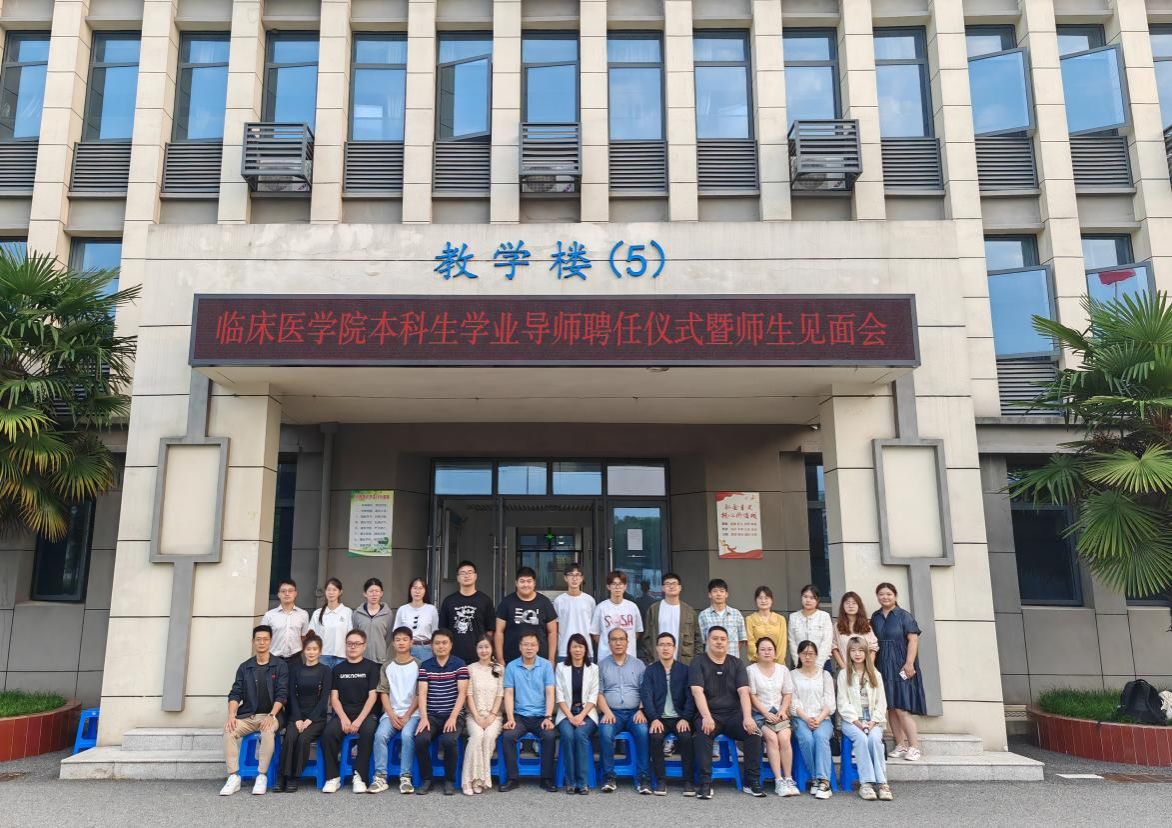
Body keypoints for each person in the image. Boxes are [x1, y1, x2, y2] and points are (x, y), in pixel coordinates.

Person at [688, 626, 765, 800]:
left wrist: (747, 717)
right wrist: (706, 716)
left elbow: (744, 692)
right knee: (702, 733)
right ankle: (705, 783)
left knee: (754, 732)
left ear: (728, 642)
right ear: (707, 641)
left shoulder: (736, 663)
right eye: (715, 638)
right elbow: (697, 692)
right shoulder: (698, 662)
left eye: (723, 639)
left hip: (733, 715)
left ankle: (751, 781)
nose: (719, 642)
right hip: (709, 714)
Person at [220, 625, 288, 796]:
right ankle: (234, 776)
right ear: (253, 642)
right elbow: (235, 693)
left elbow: (282, 694)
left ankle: (261, 775)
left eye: (265, 639)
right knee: (229, 730)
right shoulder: (245, 667)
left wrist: (271, 715)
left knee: (267, 729)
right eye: (258, 639)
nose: (262, 642)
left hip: (272, 715)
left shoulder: (280, 665)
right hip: (248, 716)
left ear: (270, 642)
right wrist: (231, 715)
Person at [320, 629, 380, 793]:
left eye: (357, 644)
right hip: (344, 713)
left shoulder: (371, 667)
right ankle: (333, 777)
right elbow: (334, 698)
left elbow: (372, 697)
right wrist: (344, 719)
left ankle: (359, 777)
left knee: (367, 733)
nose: (353, 647)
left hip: (365, 714)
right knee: (328, 734)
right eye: (349, 644)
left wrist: (359, 721)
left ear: (364, 646)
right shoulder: (338, 669)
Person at [872, 582, 926, 762]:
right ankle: (900, 744)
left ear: (895, 595)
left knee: (902, 707)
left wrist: (909, 663)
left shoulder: (904, 616)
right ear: (877, 596)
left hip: (901, 666)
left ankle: (914, 747)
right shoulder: (875, 617)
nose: (885, 597)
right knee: (891, 708)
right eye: (881, 594)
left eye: (888, 594)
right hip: (882, 666)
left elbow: (913, 640)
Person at [413, 628, 469, 795]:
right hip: (432, 715)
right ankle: (427, 779)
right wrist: (424, 718)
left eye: (444, 643)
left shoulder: (459, 664)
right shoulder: (426, 666)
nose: (441, 646)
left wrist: (453, 717)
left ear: (451, 645)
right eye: (437, 643)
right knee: (421, 739)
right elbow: (422, 693)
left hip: (454, 715)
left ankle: (449, 780)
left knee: (449, 740)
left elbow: (462, 694)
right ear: (432, 645)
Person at [501, 630, 558, 792]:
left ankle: (546, 778)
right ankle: (513, 778)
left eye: (533, 645)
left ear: (538, 647)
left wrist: (548, 717)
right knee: (508, 736)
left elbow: (550, 692)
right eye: (525, 644)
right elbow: (509, 693)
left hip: (541, 716)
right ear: (520, 647)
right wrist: (510, 718)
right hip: (520, 716)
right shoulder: (512, 666)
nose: (529, 648)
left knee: (549, 736)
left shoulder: (546, 666)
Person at [837, 636, 893, 801]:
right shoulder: (843, 674)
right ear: (848, 653)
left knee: (874, 739)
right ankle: (866, 784)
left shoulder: (875, 674)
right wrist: (858, 722)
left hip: (873, 719)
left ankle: (882, 783)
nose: (857, 654)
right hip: (852, 720)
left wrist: (873, 722)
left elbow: (881, 703)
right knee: (861, 739)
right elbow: (842, 703)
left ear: (866, 653)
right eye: (853, 651)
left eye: (861, 650)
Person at [640, 632, 695, 796]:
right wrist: (654, 718)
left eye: (669, 645)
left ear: (674, 648)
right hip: (659, 718)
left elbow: (691, 697)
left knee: (686, 738)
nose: (665, 648)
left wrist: (685, 718)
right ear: (657, 648)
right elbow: (646, 696)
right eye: (662, 645)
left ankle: (688, 781)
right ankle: (661, 780)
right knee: (655, 738)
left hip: (680, 718)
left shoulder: (685, 670)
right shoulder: (651, 670)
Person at [596, 627, 650, 794]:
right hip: (612, 712)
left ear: (628, 642)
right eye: (614, 639)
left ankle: (643, 778)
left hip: (635, 712)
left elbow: (645, 691)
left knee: (643, 732)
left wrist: (641, 710)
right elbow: (598, 692)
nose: (618, 643)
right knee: (605, 733)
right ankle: (609, 777)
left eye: (621, 639)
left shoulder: (639, 664)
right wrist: (607, 712)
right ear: (609, 643)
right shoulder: (601, 665)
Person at [275, 631, 330, 793]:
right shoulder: (296, 670)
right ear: (303, 651)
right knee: (290, 737)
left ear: (320, 651)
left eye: (315, 649)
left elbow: (324, 699)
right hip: (297, 716)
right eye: (308, 649)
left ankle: (294, 776)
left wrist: (309, 720)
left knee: (303, 739)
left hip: (316, 718)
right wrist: (298, 718)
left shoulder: (325, 670)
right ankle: (282, 776)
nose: (311, 652)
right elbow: (292, 695)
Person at [368, 627, 421, 795]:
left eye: (405, 639)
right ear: (393, 643)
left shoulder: (418, 665)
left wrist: (407, 715)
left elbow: (420, 694)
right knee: (380, 736)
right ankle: (380, 777)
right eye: (398, 640)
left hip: (413, 714)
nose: (401, 643)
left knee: (407, 735)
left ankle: (405, 777)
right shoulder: (387, 666)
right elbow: (383, 692)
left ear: (411, 642)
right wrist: (391, 714)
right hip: (391, 713)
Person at [746, 637, 798, 797]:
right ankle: (778, 780)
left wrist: (782, 710)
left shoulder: (783, 670)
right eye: (762, 649)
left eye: (770, 649)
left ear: (775, 653)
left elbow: (787, 693)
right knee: (772, 738)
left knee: (784, 738)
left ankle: (788, 778)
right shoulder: (751, 670)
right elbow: (752, 695)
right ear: (757, 652)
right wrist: (765, 712)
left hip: (780, 714)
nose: (766, 652)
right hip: (760, 714)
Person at [790, 639, 835, 800]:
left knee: (821, 737)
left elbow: (830, 702)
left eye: (811, 654)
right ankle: (817, 778)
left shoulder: (824, 675)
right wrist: (807, 718)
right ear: (799, 655)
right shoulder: (792, 675)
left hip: (823, 718)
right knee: (807, 739)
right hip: (801, 718)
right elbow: (793, 702)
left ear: (816, 655)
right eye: (804, 653)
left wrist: (819, 718)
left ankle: (824, 782)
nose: (807, 657)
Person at [555, 632, 599, 794]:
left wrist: (580, 716)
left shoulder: (593, 668)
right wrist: (571, 717)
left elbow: (593, 696)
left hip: (587, 713)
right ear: (569, 649)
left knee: (580, 735)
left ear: (586, 649)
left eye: (581, 646)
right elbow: (559, 696)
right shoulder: (561, 667)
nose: (578, 650)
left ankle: (583, 782)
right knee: (568, 735)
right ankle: (571, 782)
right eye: (574, 647)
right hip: (566, 713)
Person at [462, 635, 504, 795]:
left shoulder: (499, 669)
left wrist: (492, 715)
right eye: (480, 647)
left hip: (494, 716)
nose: (484, 650)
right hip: (474, 715)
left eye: (487, 647)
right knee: (477, 736)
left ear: (492, 648)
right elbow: (469, 694)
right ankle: (467, 780)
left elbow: (500, 694)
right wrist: (477, 717)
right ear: (476, 649)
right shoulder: (470, 669)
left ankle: (479, 780)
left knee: (489, 737)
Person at [495, 566, 558, 664]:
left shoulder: (544, 603)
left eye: (529, 581)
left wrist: (551, 659)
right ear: (516, 583)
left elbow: (552, 632)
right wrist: (500, 659)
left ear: (534, 583)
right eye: (522, 581)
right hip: (512, 661)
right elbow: (499, 632)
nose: (525, 585)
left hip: (540, 661)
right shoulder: (506, 603)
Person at [439, 560, 496, 664]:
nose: (467, 576)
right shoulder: (449, 601)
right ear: (457, 577)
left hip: (479, 656)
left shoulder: (485, 600)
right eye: (463, 573)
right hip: (453, 656)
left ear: (475, 576)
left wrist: (485, 651)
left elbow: (490, 631)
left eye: (470, 572)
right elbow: (443, 630)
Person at [641, 571, 699, 664]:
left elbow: (697, 638)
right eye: (668, 584)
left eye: (674, 583)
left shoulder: (689, 611)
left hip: (684, 662)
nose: (671, 586)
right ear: (663, 588)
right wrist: (650, 659)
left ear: (680, 587)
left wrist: (695, 662)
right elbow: (647, 637)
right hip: (658, 661)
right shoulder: (654, 609)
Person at [591, 570, 644, 664]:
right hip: (606, 656)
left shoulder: (632, 607)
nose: (617, 587)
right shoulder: (601, 608)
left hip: (629, 656)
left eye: (620, 584)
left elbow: (637, 632)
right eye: (614, 584)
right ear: (608, 587)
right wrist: (608, 645)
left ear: (625, 586)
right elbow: (595, 634)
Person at [553, 562, 596, 661]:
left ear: (582, 578)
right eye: (571, 575)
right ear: (565, 578)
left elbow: (594, 628)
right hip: (564, 650)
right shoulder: (559, 601)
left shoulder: (589, 600)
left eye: (577, 575)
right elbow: (555, 628)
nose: (574, 578)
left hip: (586, 650)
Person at [697, 579, 748, 660]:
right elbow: (702, 641)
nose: (718, 594)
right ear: (709, 594)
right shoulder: (703, 615)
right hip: (710, 661)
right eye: (715, 591)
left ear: (726, 594)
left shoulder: (736, 614)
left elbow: (741, 640)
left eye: (722, 591)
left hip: (732, 660)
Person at [262, 579, 310, 662]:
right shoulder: (269, 615)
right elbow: (263, 637)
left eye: (290, 591)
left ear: (295, 594)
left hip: (295, 659)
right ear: (278, 594)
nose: (287, 594)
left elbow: (304, 637)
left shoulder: (303, 614)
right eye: (283, 591)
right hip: (274, 659)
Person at [788, 584, 833, 670]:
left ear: (817, 600)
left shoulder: (824, 616)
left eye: (812, 598)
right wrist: (798, 663)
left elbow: (826, 642)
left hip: (822, 663)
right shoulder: (793, 617)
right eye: (805, 597)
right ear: (801, 598)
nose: (808, 600)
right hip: (799, 664)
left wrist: (818, 665)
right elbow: (792, 642)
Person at [309, 578, 352, 668]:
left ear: (340, 592)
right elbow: (311, 636)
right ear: (325, 592)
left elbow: (350, 636)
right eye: (328, 590)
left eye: (334, 590)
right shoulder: (317, 613)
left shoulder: (347, 612)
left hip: (342, 656)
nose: (331, 592)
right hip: (322, 656)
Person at [395, 577, 440, 662]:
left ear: (425, 591)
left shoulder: (431, 609)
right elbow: (396, 632)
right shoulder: (402, 609)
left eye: (420, 588)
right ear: (410, 590)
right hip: (406, 649)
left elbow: (435, 632)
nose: (417, 591)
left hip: (426, 649)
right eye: (415, 588)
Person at [832, 591, 878, 670]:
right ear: (843, 606)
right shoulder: (837, 626)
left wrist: (868, 667)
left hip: (865, 669)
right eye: (847, 603)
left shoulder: (866, 625)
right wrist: (844, 668)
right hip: (845, 668)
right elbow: (834, 647)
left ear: (859, 606)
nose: (851, 606)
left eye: (854, 603)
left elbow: (873, 648)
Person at [353, 577, 393, 664]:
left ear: (381, 593)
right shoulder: (357, 613)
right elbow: (355, 635)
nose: (374, 594)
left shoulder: (388, 614)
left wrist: (381, 649)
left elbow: (389, 637)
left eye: (377, 591)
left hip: (380, 659)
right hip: (361, 658)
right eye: (371, 591)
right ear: (365, 593)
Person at [745, 585, 787, 666]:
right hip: (757, 664)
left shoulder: (780, 619)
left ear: (772, 600)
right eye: (760, 598)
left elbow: (782, 644)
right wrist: (760, 659)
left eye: (766, 598)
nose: (763, 601)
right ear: (755, 600)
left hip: (778, 664)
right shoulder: (750, 619)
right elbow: (750, 643)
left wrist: (777, 661)